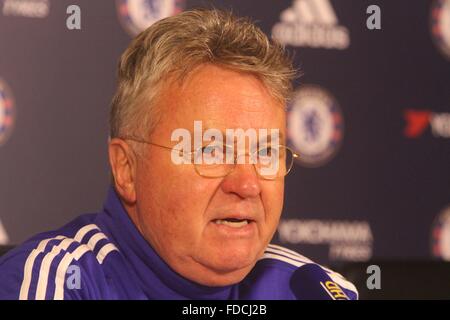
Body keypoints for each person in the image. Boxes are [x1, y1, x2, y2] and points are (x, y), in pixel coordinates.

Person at [0, 9, 357, 300]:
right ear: (127, 169)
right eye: (211, 150)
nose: (247, 184)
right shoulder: (56, 285)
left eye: (265, 151)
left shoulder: (313, 290)